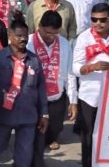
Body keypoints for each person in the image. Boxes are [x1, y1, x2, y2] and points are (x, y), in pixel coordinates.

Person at [72, 3, 109, 167]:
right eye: (94, 20)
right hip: (90, 96)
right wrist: (92, 67)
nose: (98, 24)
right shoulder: (84, 38)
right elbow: (75, 68)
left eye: (102, 20)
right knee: (89, 137)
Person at [0, 20, 48, 167]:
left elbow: (41, 88)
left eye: (25, 36)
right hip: (3, 116)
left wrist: (44, 113)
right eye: (18, 36)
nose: (23, 39)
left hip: (28, 117)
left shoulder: (34, 60)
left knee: (24, 158)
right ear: (10, 36)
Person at [28, 11, 77, 158]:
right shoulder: (28, 43)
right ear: (40, 26)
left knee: (55, 129)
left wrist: (73, 101)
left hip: (56, 97)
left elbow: (70, 73)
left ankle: (46, 142)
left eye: (54, 33)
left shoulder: (64, 44)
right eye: (47, 32)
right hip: (34, 98)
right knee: (36, 134)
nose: (50, 37)